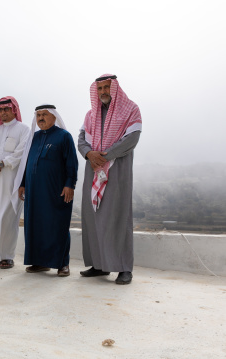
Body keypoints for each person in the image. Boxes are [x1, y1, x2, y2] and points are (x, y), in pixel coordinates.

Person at [78, 74, 142, 285]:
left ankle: (124, 268)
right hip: (94, 169)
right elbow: (81, 140)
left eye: (107, 88)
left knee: (118, 217)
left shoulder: (131, 110)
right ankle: (98, 265)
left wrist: (104, 156)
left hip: (117, 170)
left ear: (115, 89)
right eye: (100, 89)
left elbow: (131, 139)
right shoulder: (90, 114)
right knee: (92, 217)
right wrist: (89, 154)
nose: (103, 92)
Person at [17, 104, 78, 275]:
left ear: (54, 117)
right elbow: (25, 163)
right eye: (38, 115)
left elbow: (72, 163)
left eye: (44, 114)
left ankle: (62, 264)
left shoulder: (64, 136)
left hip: (55, 190)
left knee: (57, 225)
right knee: (35, 225)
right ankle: (39, 262)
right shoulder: (33, 138)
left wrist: (69, 184)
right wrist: (22, 184)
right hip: (34, 191)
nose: (41, 118)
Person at [0, 96, 30, 269]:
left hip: (11, 181)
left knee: (8, 218)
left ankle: (7, 256)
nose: (3, 113)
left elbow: (20, 153)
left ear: (13, 110)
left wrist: (2, 163)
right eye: (0, 110)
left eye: (6, 109)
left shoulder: (24, 130)